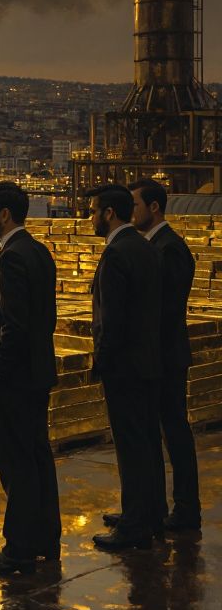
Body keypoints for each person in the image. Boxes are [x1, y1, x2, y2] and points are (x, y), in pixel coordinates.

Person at [0, 182, 61, 576]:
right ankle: (45, 539)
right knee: (38, 458)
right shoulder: (39, 252)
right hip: (38, 372)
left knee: (17, 463)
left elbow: (13, 324)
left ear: (4, 215)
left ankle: (18, 549)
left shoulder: (10, 258)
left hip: (15, 379)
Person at [113, 179, 199, 531]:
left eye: (134, 205)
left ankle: (185, 509)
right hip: (154, 356)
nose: (129, 212)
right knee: (152, 433)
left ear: (154, 208)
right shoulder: (154, 245)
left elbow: (163, 306)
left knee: (173, 433)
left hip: (165, 356)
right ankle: (151, 507)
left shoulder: (170, 248)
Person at [85, 184, 165, 550]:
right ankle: (147, 515)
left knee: (130, 446)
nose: (90, 218)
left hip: (124, 367)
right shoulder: (146, 248)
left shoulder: (116, 253)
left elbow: (111, 319)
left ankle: (133, 525)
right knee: (146, 443)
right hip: (148, 361)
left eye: (93, 211)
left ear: (109, 214)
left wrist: (101, 358)